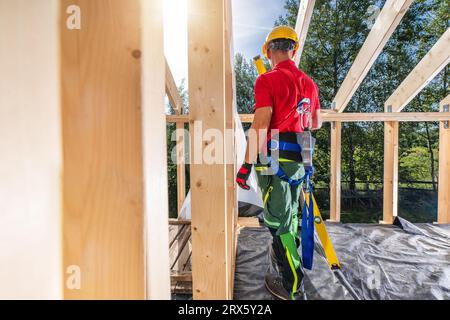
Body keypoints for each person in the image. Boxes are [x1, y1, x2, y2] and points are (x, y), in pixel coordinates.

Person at [235, 25, 322, 300]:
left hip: (273, 163)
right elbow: (316, 123)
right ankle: (285, 259)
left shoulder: (267, 80)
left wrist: (245, 166)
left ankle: (292, 284)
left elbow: (261, 125)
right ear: (293, 49)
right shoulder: (309, 83)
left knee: (278, 222)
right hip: (298, 165)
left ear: (269, 50)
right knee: (292, 216)